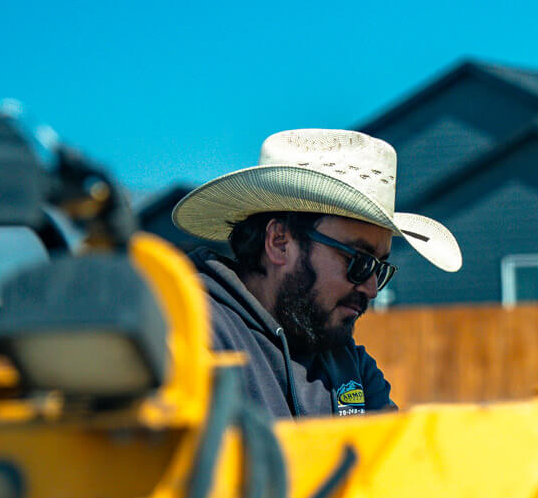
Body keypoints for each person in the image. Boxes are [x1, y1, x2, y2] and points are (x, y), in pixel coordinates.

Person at [171, 129, 461, 418]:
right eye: (359, 262)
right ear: (280, 242)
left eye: (379, 268)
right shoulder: (190, 335)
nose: (372, 289)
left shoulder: (351, 364)